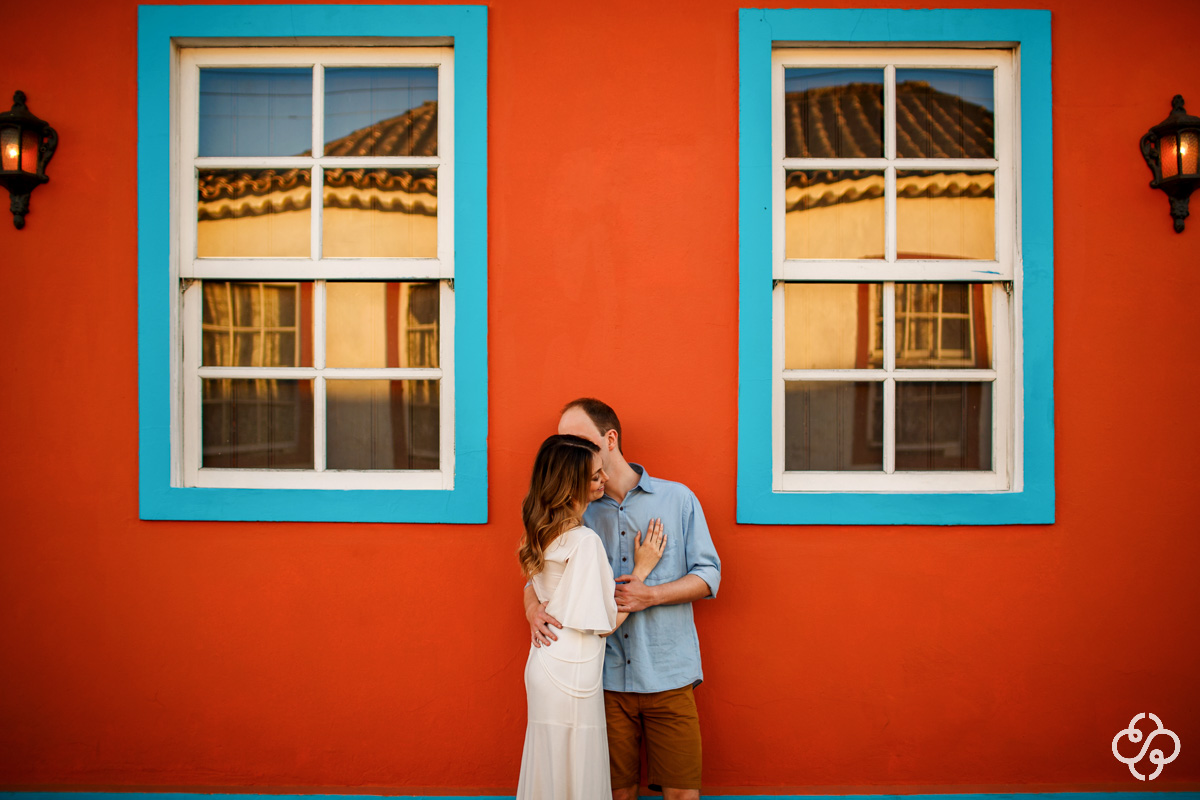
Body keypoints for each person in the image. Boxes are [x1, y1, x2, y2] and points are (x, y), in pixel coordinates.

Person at [524, 399, 722, 800]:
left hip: (669, 674)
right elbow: (540, 574)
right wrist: (531, 607)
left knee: (683, 793)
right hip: (604, 680)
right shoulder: (577, 510)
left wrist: (650, 594)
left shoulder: (677, 499)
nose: (571, 448)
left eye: (578, 439)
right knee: (615, 793)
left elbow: (709, 575)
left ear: (609, 439)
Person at [516, 433, 666, 800]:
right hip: (573, 668)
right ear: (571, 486)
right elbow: (606, 624)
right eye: (596, 476)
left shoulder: (542, 533)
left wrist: (532, 607)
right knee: (575, 769)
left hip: (546, 660)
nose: (605, 481)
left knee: (550, 767)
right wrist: (643, 571)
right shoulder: (584, 541)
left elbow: (536, 587)